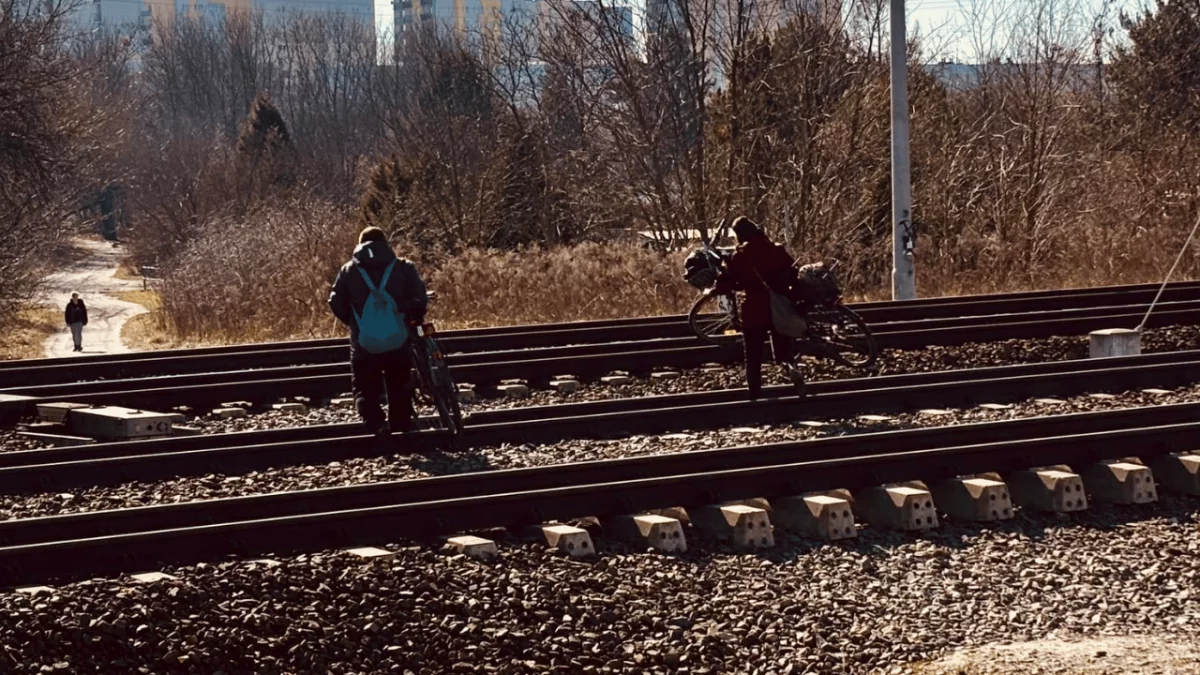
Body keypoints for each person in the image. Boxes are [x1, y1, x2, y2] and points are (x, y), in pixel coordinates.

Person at [329, 227, 428, 436]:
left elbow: (335, 301)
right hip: (398, 339)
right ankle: (401, 427)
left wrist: (355, 323)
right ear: (385, 243)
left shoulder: (349, 270)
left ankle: (376, 423)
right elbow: (419, 297)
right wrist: (412, 316)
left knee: (365, 386)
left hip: (364, 343)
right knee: (399, 381)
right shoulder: (403, 267)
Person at [710, 216, 806, 400]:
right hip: (779, 308)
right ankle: (791, 368)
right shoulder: (776, 249)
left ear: (739, 235)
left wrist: (715, 289)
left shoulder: (740, 255)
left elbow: (727, 282)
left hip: (753, 311)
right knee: (784, 351)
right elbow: (794, 272)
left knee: (753, 357)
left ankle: (754, 394)